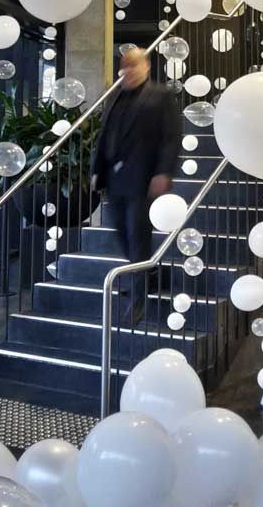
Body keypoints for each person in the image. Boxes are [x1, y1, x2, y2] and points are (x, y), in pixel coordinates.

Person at [90, 47, 181, 323]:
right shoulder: (115, 95)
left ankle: (138, 300)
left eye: (133, 66)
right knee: (121, 235)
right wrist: (97, 170)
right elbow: (105, 135)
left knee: (137, 237)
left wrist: (164, 172)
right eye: (124, 67)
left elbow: (171, 137)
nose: (127, 71)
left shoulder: (161, 96)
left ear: (146, 67)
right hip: (115, 180)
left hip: (143, 179)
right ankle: (147, 272)